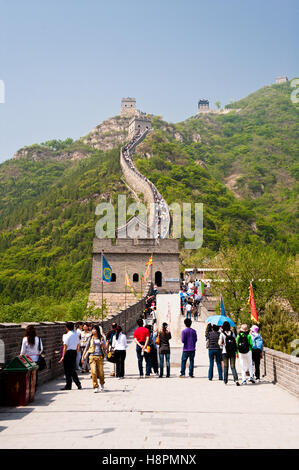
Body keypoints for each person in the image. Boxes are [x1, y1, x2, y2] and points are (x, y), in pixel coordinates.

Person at [82, 325, 106, 392]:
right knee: (93, 372)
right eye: (92, 329)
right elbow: (86, 348)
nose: (93, 331)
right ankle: (95, 386)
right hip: (92, 356)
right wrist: (83, 356)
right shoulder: (90, 338)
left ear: (97, 330)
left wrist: (103, 345)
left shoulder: (101, 338)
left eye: (94, 329)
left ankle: (102, 383)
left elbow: (105, 348)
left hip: (100, 356)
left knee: (101, 372)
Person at [59, 322, 82, 390]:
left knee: (67, 369)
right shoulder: (75, 335)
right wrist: (77, 350)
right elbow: (78, 344)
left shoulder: (67, 335)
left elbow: (65, 346)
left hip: (68, 352)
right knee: (72, 369)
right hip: (74, 352)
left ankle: (69, 385)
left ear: (67, 328)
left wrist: (63, 356)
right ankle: (77, 383)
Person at [219, 321, 240, 386]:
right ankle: (236, 379)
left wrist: (222, 344)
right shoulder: (232, 333)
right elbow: (236, 341)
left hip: (225, 352)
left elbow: (219, 343)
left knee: (226, 366)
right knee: (233, 366)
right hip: (232, 352)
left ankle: (225, 380)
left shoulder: (222, 334)